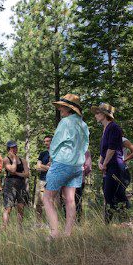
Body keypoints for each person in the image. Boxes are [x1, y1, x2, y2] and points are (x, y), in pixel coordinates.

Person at [43, 94, 89, 239]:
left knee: (47, 198)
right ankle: (68, 234)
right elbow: (85, 146)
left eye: (62, 106)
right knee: (70, 200)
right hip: (77, 166)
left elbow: (55, 143)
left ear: (69, 109)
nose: (60, 109)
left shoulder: (65, 122)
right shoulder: (83, 124)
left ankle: (54, 233)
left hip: (62, 163)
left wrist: (53, 158)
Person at [92, 103, 129, 224]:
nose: (95, 115)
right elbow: (104, 150)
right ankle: (122, 223)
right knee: (113, 194)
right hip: (109, 166)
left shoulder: (114, 127)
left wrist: (105, 164)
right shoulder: (106, 129)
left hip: (115, 166)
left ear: (104, 114)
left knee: (111, 194)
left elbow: (112, 149)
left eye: (97, 113)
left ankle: (121, 222)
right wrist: (100, 162)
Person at [2, 140, 29, 229]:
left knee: (21, 207)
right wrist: (13, 159)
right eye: (12, 148)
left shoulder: (23, 160)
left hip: (21, 184)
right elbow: (12, 169)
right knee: (8, 208)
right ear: (8, 149)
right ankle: (4, 227)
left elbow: (27, 174)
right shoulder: (6, 159)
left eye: (15, 147)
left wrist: (17, 174)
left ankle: (19, 228)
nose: (14, 149)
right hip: (9, 185)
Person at [35, 135, 52, 226]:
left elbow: (56, 168)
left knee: (50, 203)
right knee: (39, 203)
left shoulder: (56, 153)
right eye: (45, 141)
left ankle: (49, 223)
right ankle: (38, 223)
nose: (46, 143)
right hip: (42, 180)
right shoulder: (43, 154)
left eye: (48, 141)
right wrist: (47, 167)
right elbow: (37, 167)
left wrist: (43, 166)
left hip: (52, 181)